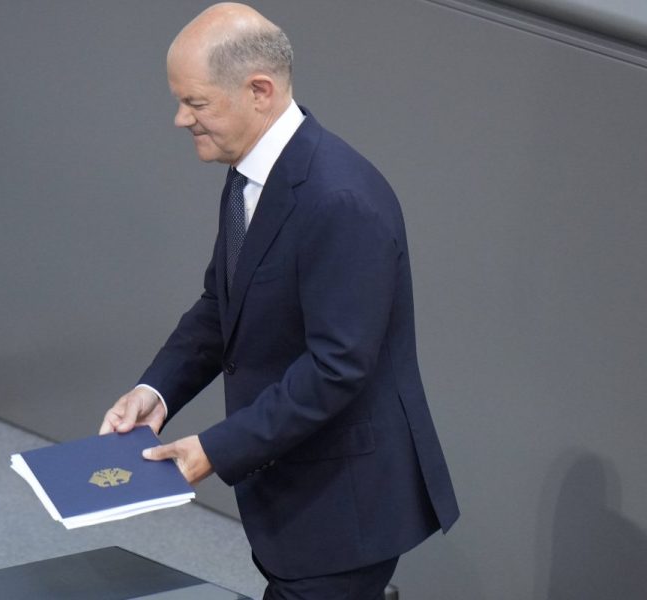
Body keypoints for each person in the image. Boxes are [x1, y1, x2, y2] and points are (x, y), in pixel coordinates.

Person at [100, 3, 459, 598]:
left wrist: (216, 448)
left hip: (344, 508)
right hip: (295, 492)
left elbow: (336, 367)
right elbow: (222, 304)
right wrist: (156, 392)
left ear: (258, 91)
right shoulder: (250, 175)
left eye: (195, 102)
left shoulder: (339, 200)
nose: (180, 119)